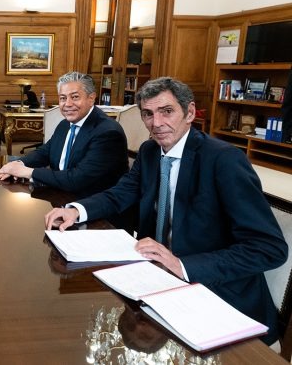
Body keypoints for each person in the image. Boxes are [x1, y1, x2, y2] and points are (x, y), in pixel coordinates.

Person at [45, 77, 287, 345]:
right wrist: (78, 210)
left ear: (190, 113)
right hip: (157, 282)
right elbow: (122, 192)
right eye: (148, 114)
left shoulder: (224, 160)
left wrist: (180, 265)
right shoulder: (150, 151)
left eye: (167, 111)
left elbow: (269, 248)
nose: (156, 123)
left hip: (218, 297)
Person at [0, 71, 129, 197]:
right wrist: (18, 164)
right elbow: (45, 152)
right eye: (63, 98)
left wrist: (29, 172)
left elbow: (77, 179)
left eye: (75, 97)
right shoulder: (65, 124)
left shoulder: (108, 133)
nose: (67, 104)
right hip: (61, 195)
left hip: (93, 206)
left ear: (91, 98)